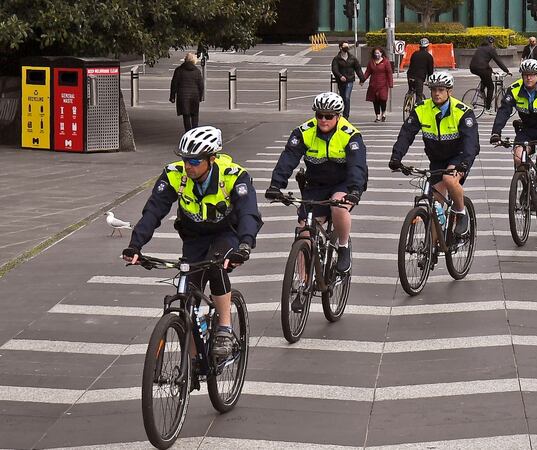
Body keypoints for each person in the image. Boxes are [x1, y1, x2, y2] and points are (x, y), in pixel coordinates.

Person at [122, 126, 262, 358]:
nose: (188, 166)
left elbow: (249, 213)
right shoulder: (174, 174)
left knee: (216, 265)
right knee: (188, 294)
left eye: (195, 161)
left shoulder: (233, 176)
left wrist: (245, 246)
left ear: (212, 159)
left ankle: (225, 328)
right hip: (194, 235)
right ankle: (194, 363)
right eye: (186, 160)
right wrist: (136, 245)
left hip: (227, 232)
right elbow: (153, 212)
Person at [264, 93, 368, 273]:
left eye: (329, 116)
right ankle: (302, 288)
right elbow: (288, 158)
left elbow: (357, 166)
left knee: (339, 208)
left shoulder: (350, 135)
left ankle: (343, 247)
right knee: (304, 233)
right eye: (319, 115)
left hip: (344, 184)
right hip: (316, 184)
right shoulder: (304, 132)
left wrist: (355, 190)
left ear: (338, 116)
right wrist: (276, 185)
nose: (323, 120)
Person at [389, 72, 479, 235]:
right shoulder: (421, 109)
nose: (436, 93)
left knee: (449, 180)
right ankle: (431, 252)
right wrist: (396, 157)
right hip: (436, 159)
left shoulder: (462, 112)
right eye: (433, 90)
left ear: (449, 91)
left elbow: (471, 142)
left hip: (458, 156)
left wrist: (464, 163)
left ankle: (461, 213)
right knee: (434, 206)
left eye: (441, 90)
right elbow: (406, 134)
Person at [489, 60, 537, 218]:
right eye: (525, 75)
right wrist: (496, 133)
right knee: (518, 157)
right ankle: (527, 186)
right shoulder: (514, 90)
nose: (528, 78)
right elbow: (503, 111)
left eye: (532, 75)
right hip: (526, 130)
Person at [469, 37, 512, 114]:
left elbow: (482, 61)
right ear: (492, 43)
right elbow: (498, 61)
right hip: (482, 69)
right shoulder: (491, 49)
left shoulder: (480, 48)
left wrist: (492, 71)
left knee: (485, 76)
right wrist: (506, 71)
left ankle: (481, 91)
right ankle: (488, 109)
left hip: (473, 68)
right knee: (491, 87)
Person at [170, 52, 204, 132]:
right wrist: (200, 96)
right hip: (194, 96)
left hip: (183, 96)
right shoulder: (197, 71)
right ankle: (195, 134)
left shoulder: (179, 70)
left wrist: (172, 96)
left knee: (186, 116)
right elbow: (201, 85)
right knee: (195, 116)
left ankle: (188, 133)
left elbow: (174, 84)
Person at [331, 42, 365, 119]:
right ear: (340, 47)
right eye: (345, 46)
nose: (347, 47)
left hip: (350, 80)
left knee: (347, 97)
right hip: (341, 81)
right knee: (342, 97)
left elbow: (358, 69)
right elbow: (334, 69)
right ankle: (341, 112)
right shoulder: (337, 59)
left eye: (347, 46)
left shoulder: (352, 58)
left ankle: (346, 116)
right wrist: (340, 76)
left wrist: (362, 79)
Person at [362, 46, 393, 122]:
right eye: (376, 53)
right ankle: (377, 115)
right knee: (375, 100)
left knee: (383, 99)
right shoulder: (371, 62)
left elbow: (389, 73)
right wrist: (362, 80)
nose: (377, 55)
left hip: (383, 84)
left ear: (381, 53)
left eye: (378, 53)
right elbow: (368, 72)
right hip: (373, 84)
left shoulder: (386, 62)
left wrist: (390, 83)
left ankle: (384, 113)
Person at [407, 38, 435, 104]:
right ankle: (416, 109)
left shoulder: (414, 54)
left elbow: (411, 65)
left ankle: (408, 99)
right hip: (419, 77)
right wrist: (429, 80)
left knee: (411, 89)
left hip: (410, 76)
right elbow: (430, 70)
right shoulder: (428, 56)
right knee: (419, 95)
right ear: (427, 47)